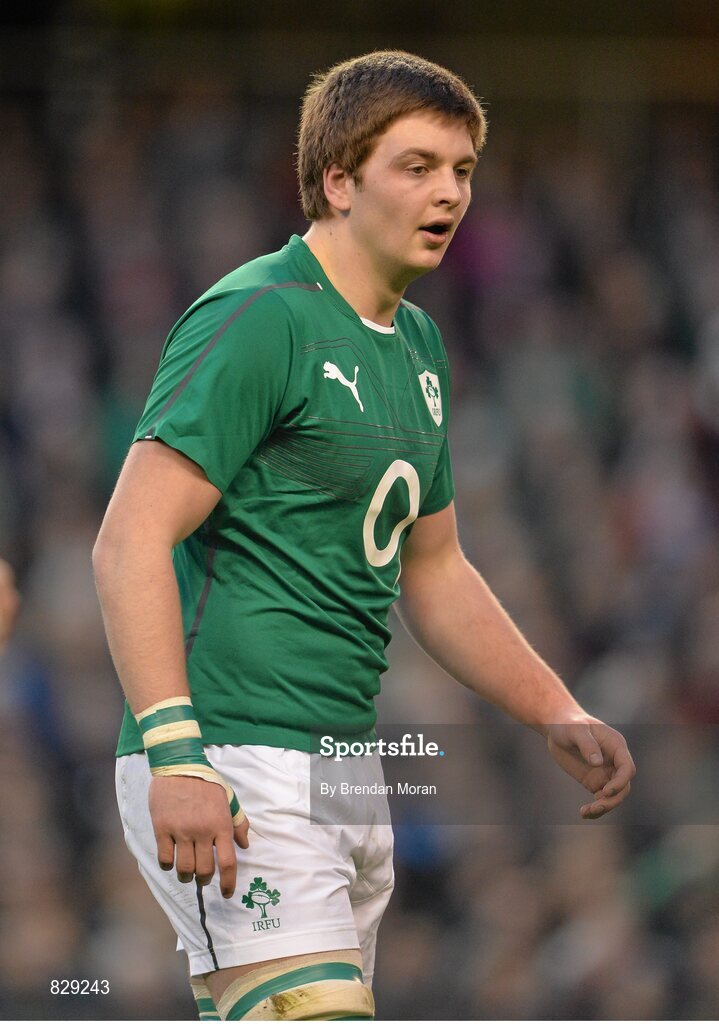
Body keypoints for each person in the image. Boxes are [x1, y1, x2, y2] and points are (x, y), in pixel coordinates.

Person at [93, 50, 636, 1022]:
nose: (449, 192)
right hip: (236, 749)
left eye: (461, 169)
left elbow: (434, 570)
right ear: (338, 181)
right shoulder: (262, 315)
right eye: (416, 166)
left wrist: (553, 706)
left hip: (343, 763)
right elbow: (128, 541)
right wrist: (178, 755)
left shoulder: (417, 346)